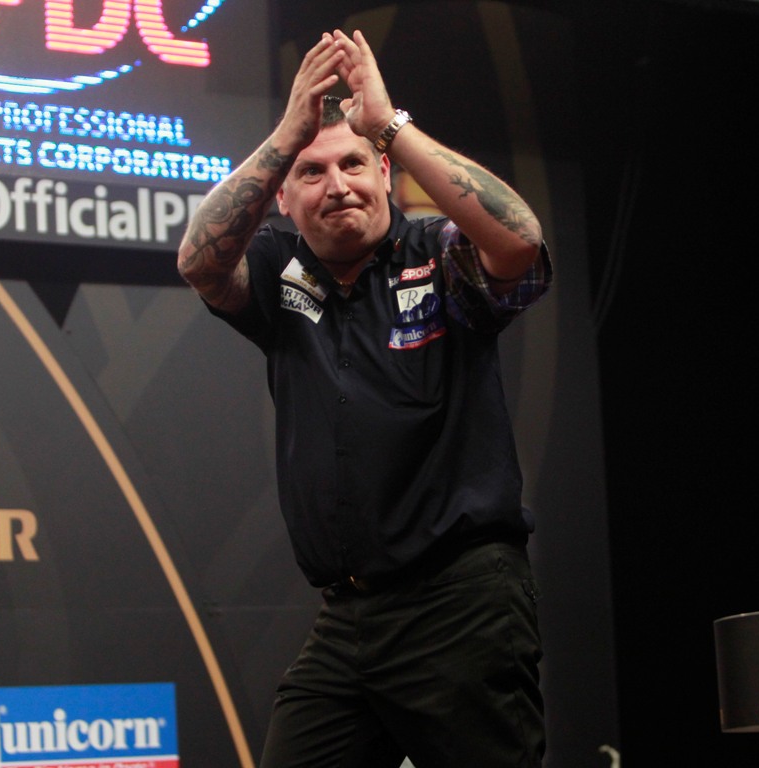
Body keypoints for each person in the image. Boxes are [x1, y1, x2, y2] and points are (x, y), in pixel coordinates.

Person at [178, 28, 553, 768]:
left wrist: (388, 124)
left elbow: (519, 242)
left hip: (460, 603)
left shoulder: (438, 255)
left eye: (353, 163)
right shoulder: (279, 270)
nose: (338, 185)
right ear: (284, 199)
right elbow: (198, 260)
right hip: (348, 616)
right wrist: (287, 134)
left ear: (385, 174)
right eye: (311, 173)